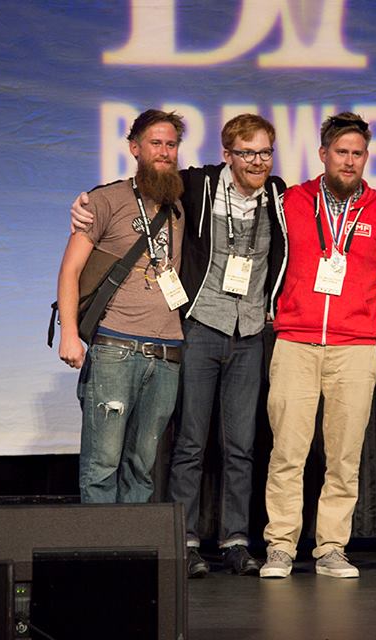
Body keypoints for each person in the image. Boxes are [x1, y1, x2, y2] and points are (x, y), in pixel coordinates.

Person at [70, 115, 288, 578]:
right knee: (187, 443)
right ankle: (183, 539)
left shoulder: (280, 195)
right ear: (227, 154)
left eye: (265, 152)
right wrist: (83, 202)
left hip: (249, 332)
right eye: (246, 152)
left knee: (241, 446)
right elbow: (135, 185)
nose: (257, 161)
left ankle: (234, 539)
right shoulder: (196, 185)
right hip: (200, 327)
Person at [259, 113, 376, 580]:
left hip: (357, 349)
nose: (349, 161)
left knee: (344, 457)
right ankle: (280, 546)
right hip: (296, 343)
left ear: (366, 158)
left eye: (357, 154)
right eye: (340, 152)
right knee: (288, 452)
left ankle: (330, 548)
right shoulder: (290, 202)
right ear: (323, 154)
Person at [57, 109, 186, 505]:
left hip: (167, 354)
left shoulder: (181, 201)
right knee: (102, 463)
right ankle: (100, 555)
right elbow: (70, 270)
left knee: (142, 465)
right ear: (134, 148)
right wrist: (69, 334)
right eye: (155, 143)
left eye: (171, 145)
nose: (164, 152)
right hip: (115, 349)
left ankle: (134, 553)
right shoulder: (104, 200)